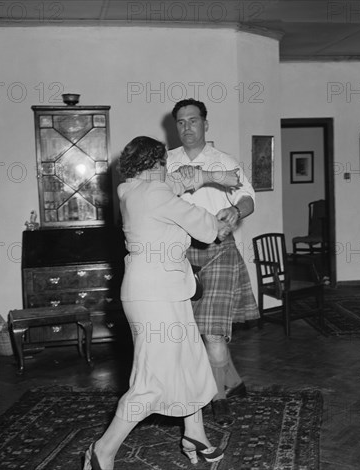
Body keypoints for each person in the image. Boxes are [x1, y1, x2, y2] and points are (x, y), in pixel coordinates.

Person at [84, 136, 240, 470]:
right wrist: (226, 219)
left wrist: (215, 176)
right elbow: (206, 228)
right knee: (152, 381)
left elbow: (182, 178)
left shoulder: (131, 189)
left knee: (191, 360)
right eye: (163, 163)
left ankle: (194, 433)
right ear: (156, 164)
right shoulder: (155, 193)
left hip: (162, 289)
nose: (167, 169)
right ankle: (104, 449)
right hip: (155, 294)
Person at [167, 98, 260, 426]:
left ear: (206, 124)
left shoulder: (224, 161)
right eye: (180, 122)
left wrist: (236, 210)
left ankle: (217, 397)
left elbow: (247, 198)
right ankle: (233, 382)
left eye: (193, 120)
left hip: (219, 250)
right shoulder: (167, 163)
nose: (186, 127)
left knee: (213, 332)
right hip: (179, 254)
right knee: (192, 331)